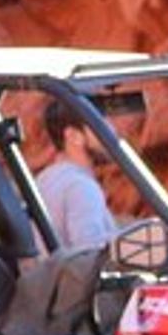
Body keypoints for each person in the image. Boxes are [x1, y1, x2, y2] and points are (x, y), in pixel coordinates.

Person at [34, 98, 115, 254]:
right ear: (73, 136)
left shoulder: (46, 178)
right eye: (100, 126)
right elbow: (90, 256)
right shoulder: (81, 186)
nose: (111, 132)